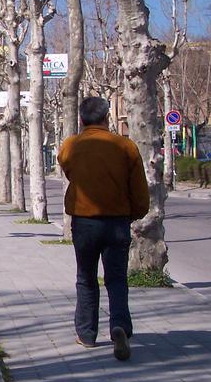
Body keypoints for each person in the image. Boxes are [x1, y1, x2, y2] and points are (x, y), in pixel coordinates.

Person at [57, 96, 149, 361]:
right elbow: (139, 190)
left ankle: (86, 334)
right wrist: (135, 213)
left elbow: (68, 168)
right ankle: (119, 326)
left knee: (86, 278)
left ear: (82, 119)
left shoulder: (72, 145)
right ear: (107, 118)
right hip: (117, 221)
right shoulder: (125, 146)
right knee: (117, 278)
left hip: (84, 222)